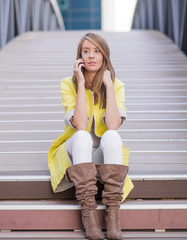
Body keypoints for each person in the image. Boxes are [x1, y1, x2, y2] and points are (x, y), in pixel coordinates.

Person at [48, 32, 134, 240]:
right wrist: (79, 83)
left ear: (104, 55)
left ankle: (112, 217)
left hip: (102, 157)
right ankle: (89, 215)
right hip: (75, 153)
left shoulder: (117, 85)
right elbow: (80, 124)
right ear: (79, 57)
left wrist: (109, 86)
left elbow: (113, 124)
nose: (91, 56)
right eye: (86, 51)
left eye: (96, 51)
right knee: (82, 136)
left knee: (112, 136)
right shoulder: (67, 84)